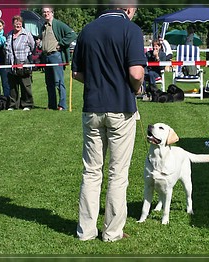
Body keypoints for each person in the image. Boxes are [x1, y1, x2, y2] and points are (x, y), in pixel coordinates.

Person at [71, 5, 145, 242]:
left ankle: (86, 231)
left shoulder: (87, 30)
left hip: (92, 107)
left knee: (91, 172)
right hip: (121, 109)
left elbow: (76, 73)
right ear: (128, 8)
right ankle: (112, 232)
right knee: (117, 173)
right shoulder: (131, 30)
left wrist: (96, 82)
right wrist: (136, 89)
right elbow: (136, 73)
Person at [40, 7, 77, 110]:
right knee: (49, 83)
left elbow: (72, 34)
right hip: (46, 57)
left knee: (58, 81)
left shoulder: (58, 24)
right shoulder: (43, 26)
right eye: (44, 12)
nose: (46, 14)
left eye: (48, 12)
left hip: (56, 56)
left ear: (52, 13)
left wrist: (62, 43)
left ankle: (62, 105)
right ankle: (51, 105)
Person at [5, 15, 35, 110]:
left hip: (23, 64)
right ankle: (13, 105)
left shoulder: (27, 34)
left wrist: (27, 59)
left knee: (25, 85)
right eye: (16, 23)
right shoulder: (9, 34)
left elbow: (33, 46)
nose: (18, 25)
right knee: (13, 87)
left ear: (22, 24)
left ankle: (27, 104)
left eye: (19, 23)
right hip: (11, 64)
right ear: (13, 24)